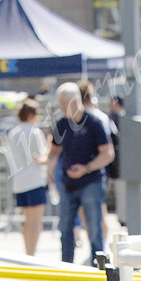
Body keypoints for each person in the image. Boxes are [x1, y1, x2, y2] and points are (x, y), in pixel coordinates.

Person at [48, 82, 113, 265]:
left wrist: (87, 168)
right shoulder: (62, 123)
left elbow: (108, 154)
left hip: (91, 182)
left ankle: (97, 267)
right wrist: (49, 167)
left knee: (94, 227)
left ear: (76, 101)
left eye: (64, 104)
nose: (61, 108)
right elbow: (54, 150)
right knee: (65, 228)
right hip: (68, 183)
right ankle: (66, 269)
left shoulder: (94, 123)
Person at [4, 99, 50, 258]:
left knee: (28, 221)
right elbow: (41, 159)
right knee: (36, 222)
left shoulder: (13, 132)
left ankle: (28, 254)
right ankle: (32, 255)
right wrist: (50, 146)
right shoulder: (34, 132)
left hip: (19, 182)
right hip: (34, 181)